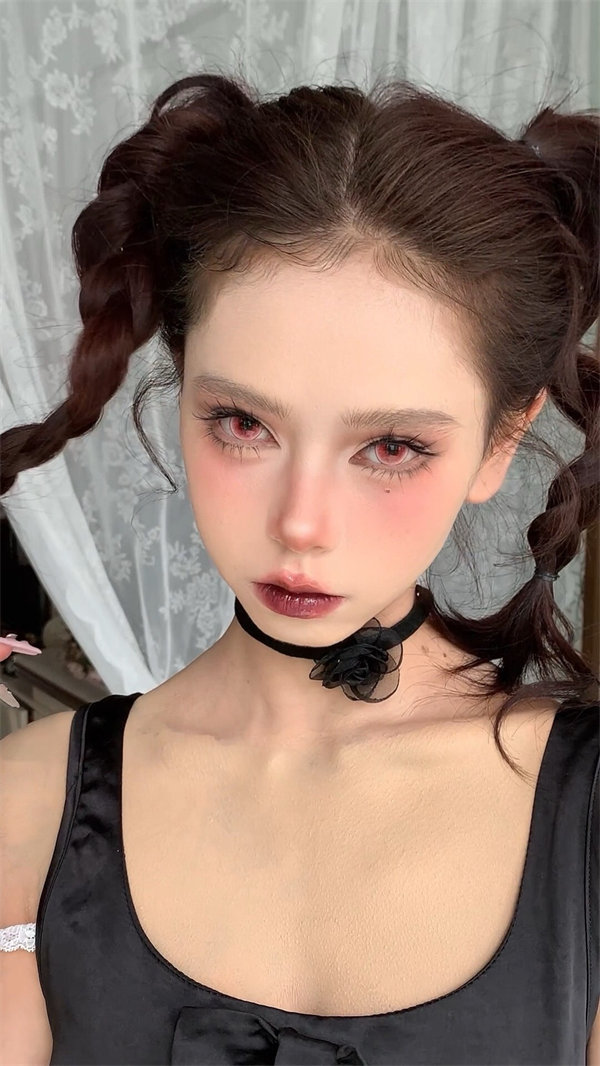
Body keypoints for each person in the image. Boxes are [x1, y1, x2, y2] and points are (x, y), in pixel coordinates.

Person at [0, 71, 598, 1066]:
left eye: (391, 446)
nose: (301, 524)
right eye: (243, 423)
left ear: (502, 440)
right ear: (179, 390)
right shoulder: (23, 809)